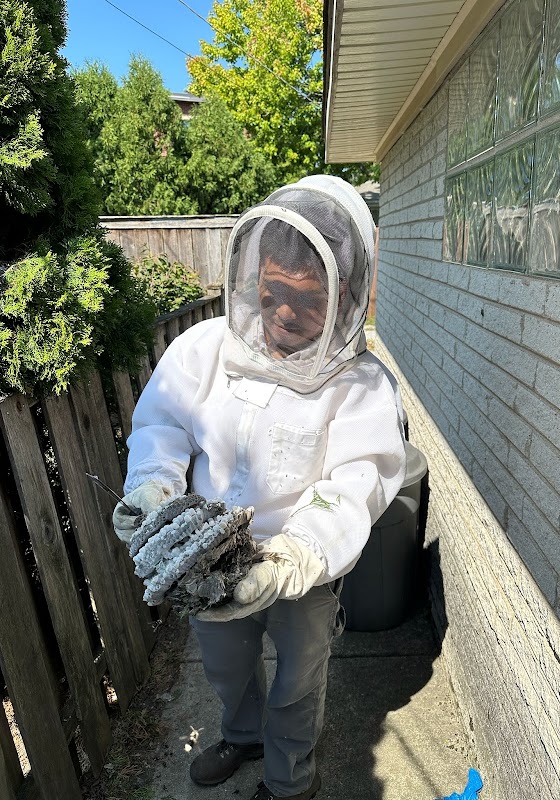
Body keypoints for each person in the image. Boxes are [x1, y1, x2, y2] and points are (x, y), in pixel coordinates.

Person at [113, 175, 406, 800]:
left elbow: (355, 484)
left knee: (299, 681)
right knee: (224, 664)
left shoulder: (362, 387)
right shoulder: (202, 350)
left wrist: (294, 558)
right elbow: (162, 424)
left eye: (308, 298)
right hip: (213, 557)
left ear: (344, 294)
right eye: (273, 292)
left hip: (305, 567)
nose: (286, 313)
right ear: (253, 278)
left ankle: (289, 779)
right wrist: (152, 487)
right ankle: (242, 735)